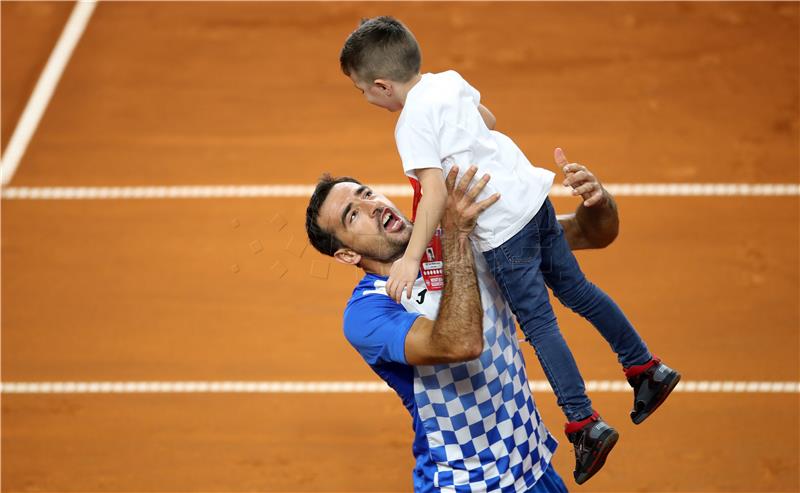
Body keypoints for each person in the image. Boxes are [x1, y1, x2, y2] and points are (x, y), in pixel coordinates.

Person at [339, 17, 680, 484]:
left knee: (540, 325)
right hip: (532, 198)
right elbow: (489, 123)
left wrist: (413, 256)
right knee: (578, 289)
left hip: (501, 228)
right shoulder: (449, 81)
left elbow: (434, 193)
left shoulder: (409, 125)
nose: (366, 99)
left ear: (382, 85)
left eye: (363, 91)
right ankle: (645, 366)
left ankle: (583, 422)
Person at [308, 156, 610, 492]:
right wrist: (455, 238)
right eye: (353, 215)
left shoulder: (457, 235)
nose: (372, 207)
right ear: (348, 255)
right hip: (467, 484)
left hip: (535, 470)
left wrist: (597, 201)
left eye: (367, 194)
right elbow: (460, 343)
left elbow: (589, 233)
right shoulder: (369, 312)